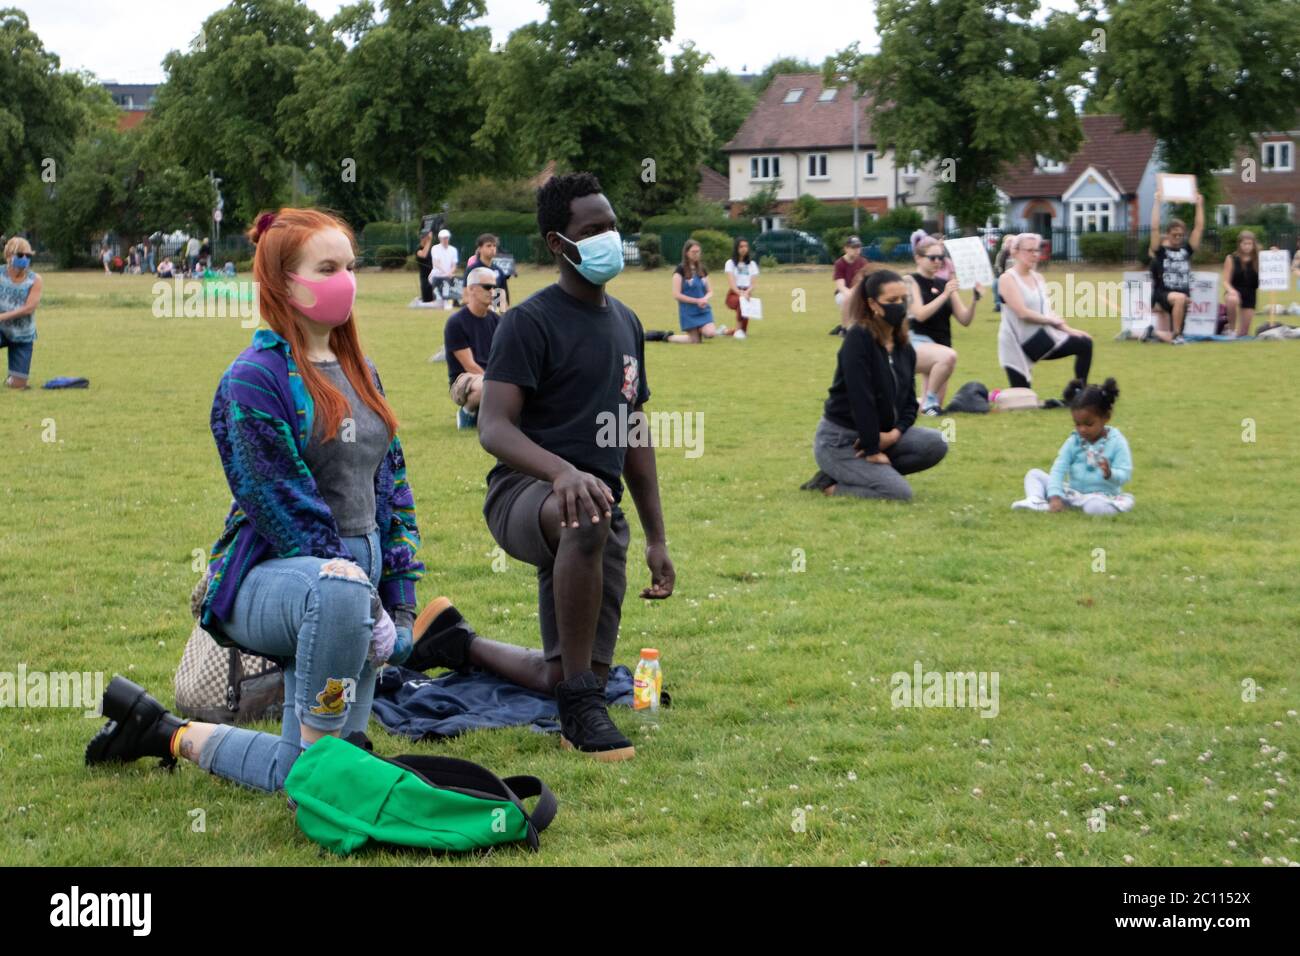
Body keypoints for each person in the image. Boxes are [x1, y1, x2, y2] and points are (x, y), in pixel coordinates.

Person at [85, 207, 435, 793]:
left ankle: (162, 732)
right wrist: (364, 602)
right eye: (327, 267)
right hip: (278, 582)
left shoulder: (362, 369)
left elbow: (394, 489)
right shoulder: (254, 378)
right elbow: (281, 504)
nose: (345, 279)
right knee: (330, 767)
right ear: (281, 282)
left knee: (307, 767)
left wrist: (399, 601)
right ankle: (321, 780)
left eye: (349, 266)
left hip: (359, 588)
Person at [423, 171, 675, 762]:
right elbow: (495, 427)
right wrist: (562, 473)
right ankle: (580, 716)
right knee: (582, 522)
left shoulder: (628, 324)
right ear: (557, 244)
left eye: (611, 226)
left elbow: (633, 431)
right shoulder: (528, 322)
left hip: (597, 510)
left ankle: (457, 642)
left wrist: (657, 537)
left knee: (564, 670)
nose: (608, 238)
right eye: (592, 230)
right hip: (525, 495)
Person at [800, 269, 948, 500]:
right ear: (873, 304)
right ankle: (828, 486)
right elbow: (861, 398)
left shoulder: (904, 348)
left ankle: (862, 474)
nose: (899, 305)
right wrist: (871, 447)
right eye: (891, 301)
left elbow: (910, 402)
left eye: (903, 299)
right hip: (841, 441)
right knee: (898, 494)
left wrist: (894, 435)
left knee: (936, 443)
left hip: (883, 436)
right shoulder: (858, 339)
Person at [1013, 378, 1132, 515]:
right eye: (1077, 424)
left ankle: (1101, 507)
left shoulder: (1117, 442)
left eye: (1088, 424)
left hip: (1101, 496)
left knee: (1094, 508)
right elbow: (1059, 469)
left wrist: (1110, 474)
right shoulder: (1074, 440)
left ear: (1106, 417)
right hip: (1073, 493)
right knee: (1034, 474)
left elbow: (1125, 474)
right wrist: (1055, 495)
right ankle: (1037, 501)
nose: (1082, 430)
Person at [997, 232, 1093, 391]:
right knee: (1023, 400)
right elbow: (1022, 312)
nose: (1034, 255)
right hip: (1016, 344)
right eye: (1029, 250)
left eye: (1036, 250)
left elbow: (1048, 313)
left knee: (1084, 343)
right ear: (1015, 251)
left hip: (1040, 340)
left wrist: (1070, 330)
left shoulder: (1038, 278)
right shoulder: (1007, 279)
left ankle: (1079, 393)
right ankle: (994, 396)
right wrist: (1050, 321)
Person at [908, 236, 980, 414]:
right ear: (918, 258)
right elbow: (920, 314)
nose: (938, 261)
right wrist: (945, 294)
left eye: (941, 257)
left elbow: (964, 319)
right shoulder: (910, 281)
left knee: (931, 407)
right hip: (917, 342)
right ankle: (927, 401)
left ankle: (908, 404)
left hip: (940, 346)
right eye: (932, 258)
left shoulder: (945, 284)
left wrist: (974, 300)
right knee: (949, 358)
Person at [1146, 188, 1205, 344]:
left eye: (1180, 235)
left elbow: (1198, 228)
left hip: (1183, 297)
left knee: (1174, 326)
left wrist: (1199, 205)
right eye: (1174, 234)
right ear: (1168, 234)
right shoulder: (1160, 251)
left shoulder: (1187, 250)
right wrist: (1157, 202)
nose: (1178, 237)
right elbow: (1154, 228)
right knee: (1179, 299)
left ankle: (1156, 334)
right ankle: (1177, 337)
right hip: (1165, 293)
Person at [444, 266, 500, 428]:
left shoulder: (497, 321)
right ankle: (467, 413)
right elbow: (469, 365)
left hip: (490, 377)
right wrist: (497, 385)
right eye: (487, 287)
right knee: (485, 386)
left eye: (495, 287)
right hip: (464, 380)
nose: (492, 291)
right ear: (471, 289)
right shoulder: (456, 323)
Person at [0, 237, 42, 390]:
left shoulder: (35, 280)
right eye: (20, 255)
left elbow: (29, 308)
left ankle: (13, 378)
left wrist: (2, 317)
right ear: (9, 255)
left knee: (18, 386)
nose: (24, 259)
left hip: (23, 335)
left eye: (28, 256)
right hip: (1, 330)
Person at [662, 239, 720, 343]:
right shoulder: (680, 270)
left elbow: (710, 291)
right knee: (694, 341)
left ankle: (699, 329)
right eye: (693, 252)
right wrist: (696, 301)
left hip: (703, 310)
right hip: (688, 311)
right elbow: (676, 295)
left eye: (698, 252)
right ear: (686, 253)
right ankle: (667, 337)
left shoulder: (702, 269)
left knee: (710, 333)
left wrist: (704, 299)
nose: (696, 254)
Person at [1221, 230, 1260, 337]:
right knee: (1232, 299)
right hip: (1235, 290)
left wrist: (1274, 252)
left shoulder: (1258, 259)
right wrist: (1231, 290)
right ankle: (1231, 329)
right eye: (1244, 244)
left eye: (1249, 244)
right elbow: (1225, 281)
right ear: (1239, 244)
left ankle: (1229, 329)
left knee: (1243, 334)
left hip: (1250, 293)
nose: (1247, 246)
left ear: (1253, 244)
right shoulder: (1231, 258)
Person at [722, 237, 759, 339]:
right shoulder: (730, 263)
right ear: (736, 248)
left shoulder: (752, 264)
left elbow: (753, 284)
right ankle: (737, 330)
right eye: (741, 246)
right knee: (740, 301)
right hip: (734, 294)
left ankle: (726, 331)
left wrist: (747, 292)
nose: (744, 249)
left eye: (746, 246)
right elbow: (732, 283)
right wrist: (741, 294)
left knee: (744, 331)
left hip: (747, 293)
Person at [832, 235, 870, 332]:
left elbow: (861, 281)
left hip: (858, 291)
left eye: (858, 247)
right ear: (846, 249)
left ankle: (848, 326)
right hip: (842, 293)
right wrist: (848, 293)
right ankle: (844, 329)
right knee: (846, 299)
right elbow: (840, 285)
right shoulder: (839, 263)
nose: (857, 250)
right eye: (853, 247)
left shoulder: (863, 262)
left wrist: (853, 292)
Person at [464, 233, 509, 310]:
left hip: (494, 315)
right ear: (480, 248)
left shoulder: (499, 271)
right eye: (488, 246)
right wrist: (486, 306)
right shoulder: (472, 270)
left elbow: (502, 298)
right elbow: (465, 297)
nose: (492, 248)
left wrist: (501, 311)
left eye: (494, 246)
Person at [430, 228, 460, 310]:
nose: (445, 240)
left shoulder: (453, 250)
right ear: (440, 239)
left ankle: (452, 301)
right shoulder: (435, 248)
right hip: (436, 275)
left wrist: (449, 273)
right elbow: (436, 263)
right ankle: (440, 300)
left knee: (456, 281)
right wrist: (446, 273)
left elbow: (454, 265)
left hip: (448, 275)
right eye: (443, 238)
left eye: (446, 238)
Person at [992, 233, 1014, 313]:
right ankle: (998, 305)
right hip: (1004, 275)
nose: (1009, 244)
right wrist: (1000, 275)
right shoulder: (1001, 254)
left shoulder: (1018, 254)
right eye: (1008, 242)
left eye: (1011, 242)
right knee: (995, 283)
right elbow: (997, 266)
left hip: (1015, 276)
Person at [414, 230, 435, 304]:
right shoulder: (418, 249)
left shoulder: (431, 248)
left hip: (433, 275)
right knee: (427, 300)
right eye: (426, 237)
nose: (428, 238)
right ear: (422, 238)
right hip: (425, 277)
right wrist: (429, 241)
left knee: (435, 297)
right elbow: (423, 255)